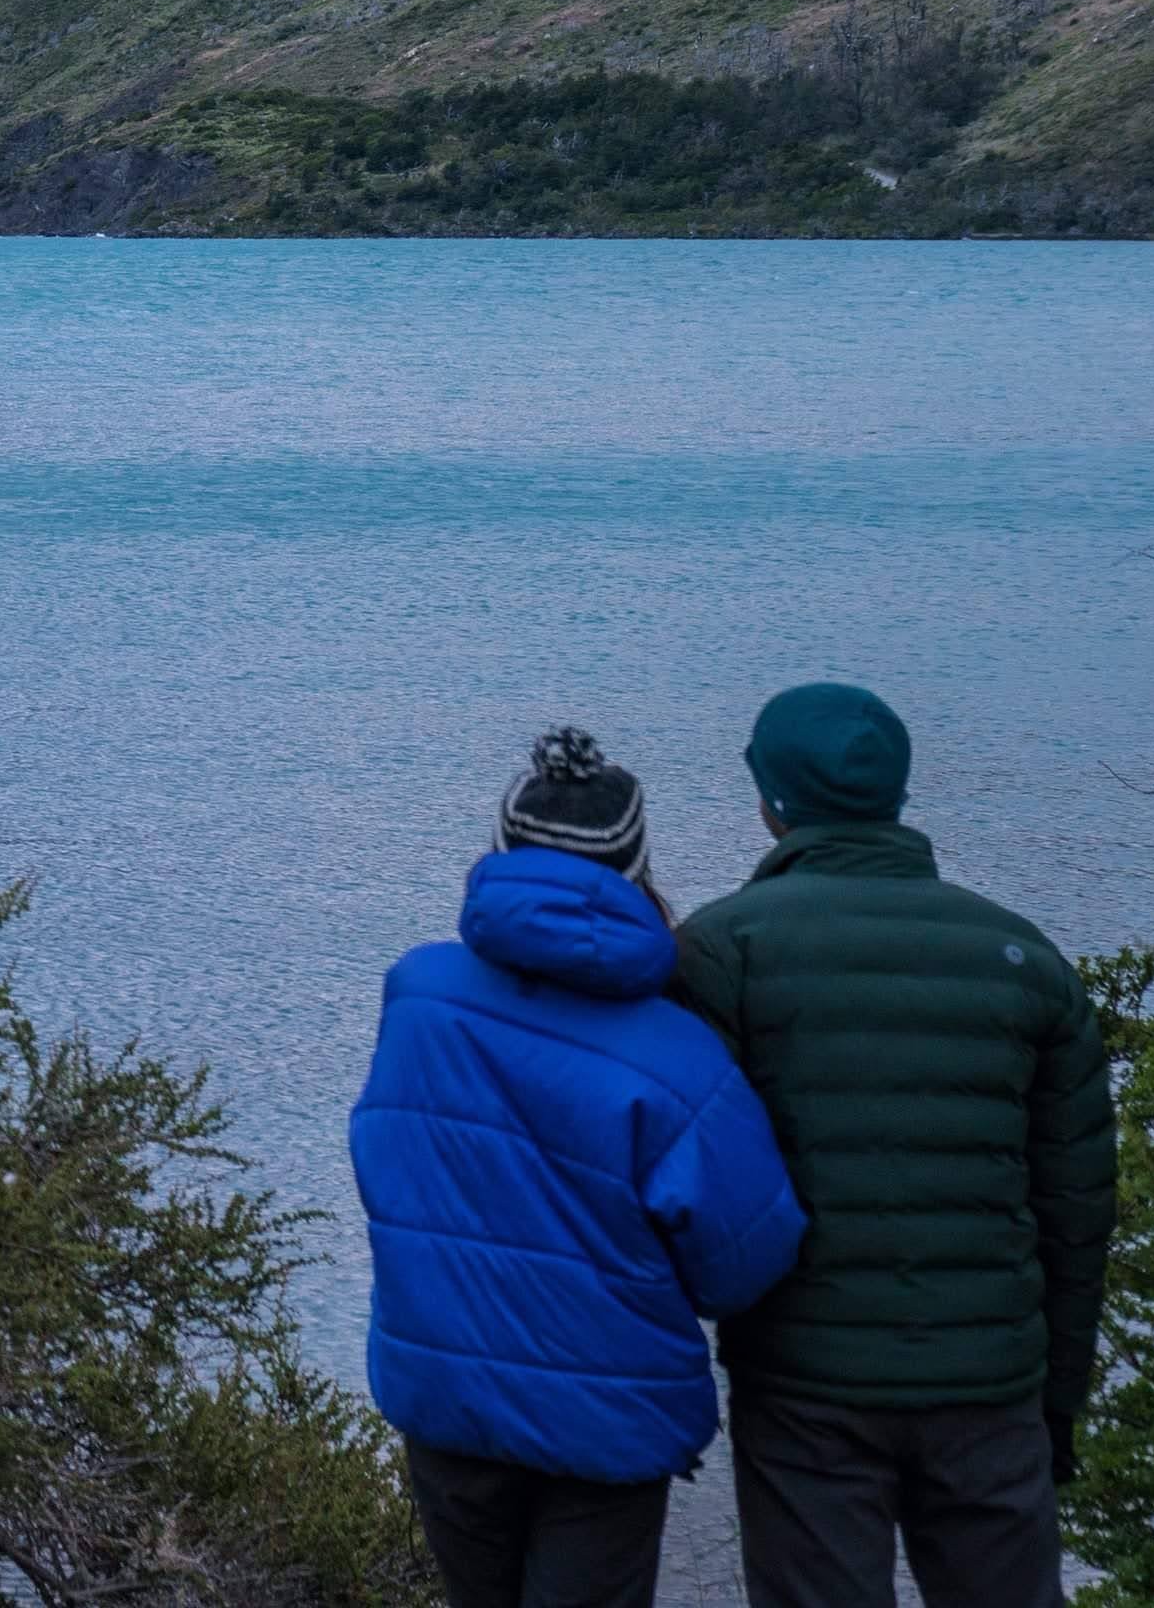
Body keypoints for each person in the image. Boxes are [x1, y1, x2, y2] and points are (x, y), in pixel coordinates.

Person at [674, 684, 1115, 1608]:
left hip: (806, 1382)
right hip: (990, 1382)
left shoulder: (720, 950)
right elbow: (1076, 1210)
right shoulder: (1024, 957)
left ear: (771, 801)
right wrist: (1057, 1402)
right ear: (898, 794)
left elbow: (690, 1182)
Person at [355, 727, 811, 1608]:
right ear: (637, 871)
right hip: (608, 1421)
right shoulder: (680, 1058)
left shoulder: (417, 997)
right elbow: (743, 1265)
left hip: (446, 1392)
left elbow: (389, 1165)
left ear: (500, 853)